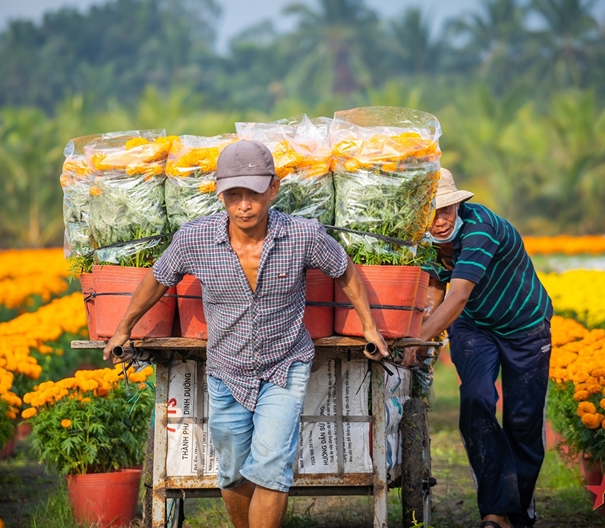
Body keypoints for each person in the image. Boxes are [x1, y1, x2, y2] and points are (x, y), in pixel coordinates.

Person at [103, 140, 389, 528]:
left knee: (271, 467)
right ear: (220, 194)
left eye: (252, 194)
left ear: (272, 189)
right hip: (226, 370)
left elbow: (344, 269)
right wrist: (122, 329)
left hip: (284, 366)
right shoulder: (195, 239)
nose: (244, 205)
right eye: (233, 195)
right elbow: (157, 280)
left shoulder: (303, 235)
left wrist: (369, 325)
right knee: (234, 473)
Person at [404, 168, 553, 528]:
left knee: (522, 421)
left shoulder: (481, 228)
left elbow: (458, 294)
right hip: (474, 326)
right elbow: (437, 290)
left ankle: (518, 513)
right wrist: (421, 335)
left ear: (458, 206)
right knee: (476, 400)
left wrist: (419, 338)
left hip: (525, 325)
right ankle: (494, 511)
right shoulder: (427, 239)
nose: (439, 221)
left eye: (446, 211)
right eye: (431, 212)